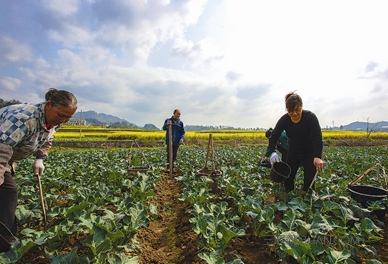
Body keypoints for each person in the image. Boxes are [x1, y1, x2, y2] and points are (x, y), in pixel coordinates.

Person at [0, 88, 77, 252]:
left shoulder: (53, 120)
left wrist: (40, 157)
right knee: (8, 193)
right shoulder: (24, 118)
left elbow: (48, 136)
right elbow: (1, 148)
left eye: (68, 118)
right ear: (48, 105)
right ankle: (5, 246)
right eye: (61, 115)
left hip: (7, 156)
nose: (63, 120)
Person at [268, 92, 324, 192]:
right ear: (287, 110)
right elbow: (274, 136)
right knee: (288, 177)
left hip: (309, 152)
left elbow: (317, 138)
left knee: (309, 179)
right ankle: (289, 198)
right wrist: (272, 151)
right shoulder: (284, 120)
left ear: (301, 107)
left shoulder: (310, 118)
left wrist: (317, 156)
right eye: (290, 110)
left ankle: (307, 200)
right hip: (293, 151)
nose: (294, 113)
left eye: (297, 110)